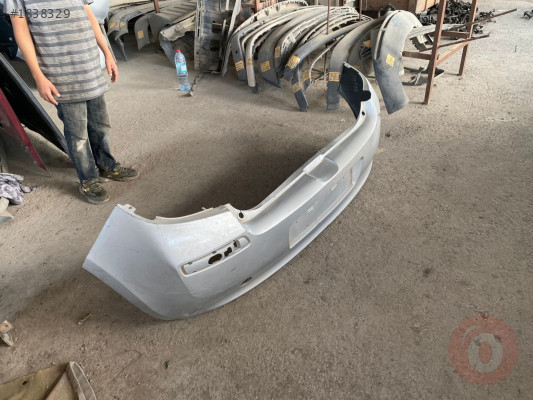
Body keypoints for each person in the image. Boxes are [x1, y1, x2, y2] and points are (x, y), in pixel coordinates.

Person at [6, 0, 138, 204]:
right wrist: (38, 76)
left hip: (88, 66)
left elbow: (88, 15)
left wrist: (107, 52)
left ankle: (106, 166)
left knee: (100, 126)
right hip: (60, 72)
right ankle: (88, 179)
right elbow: (21, 30)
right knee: (77, 135)